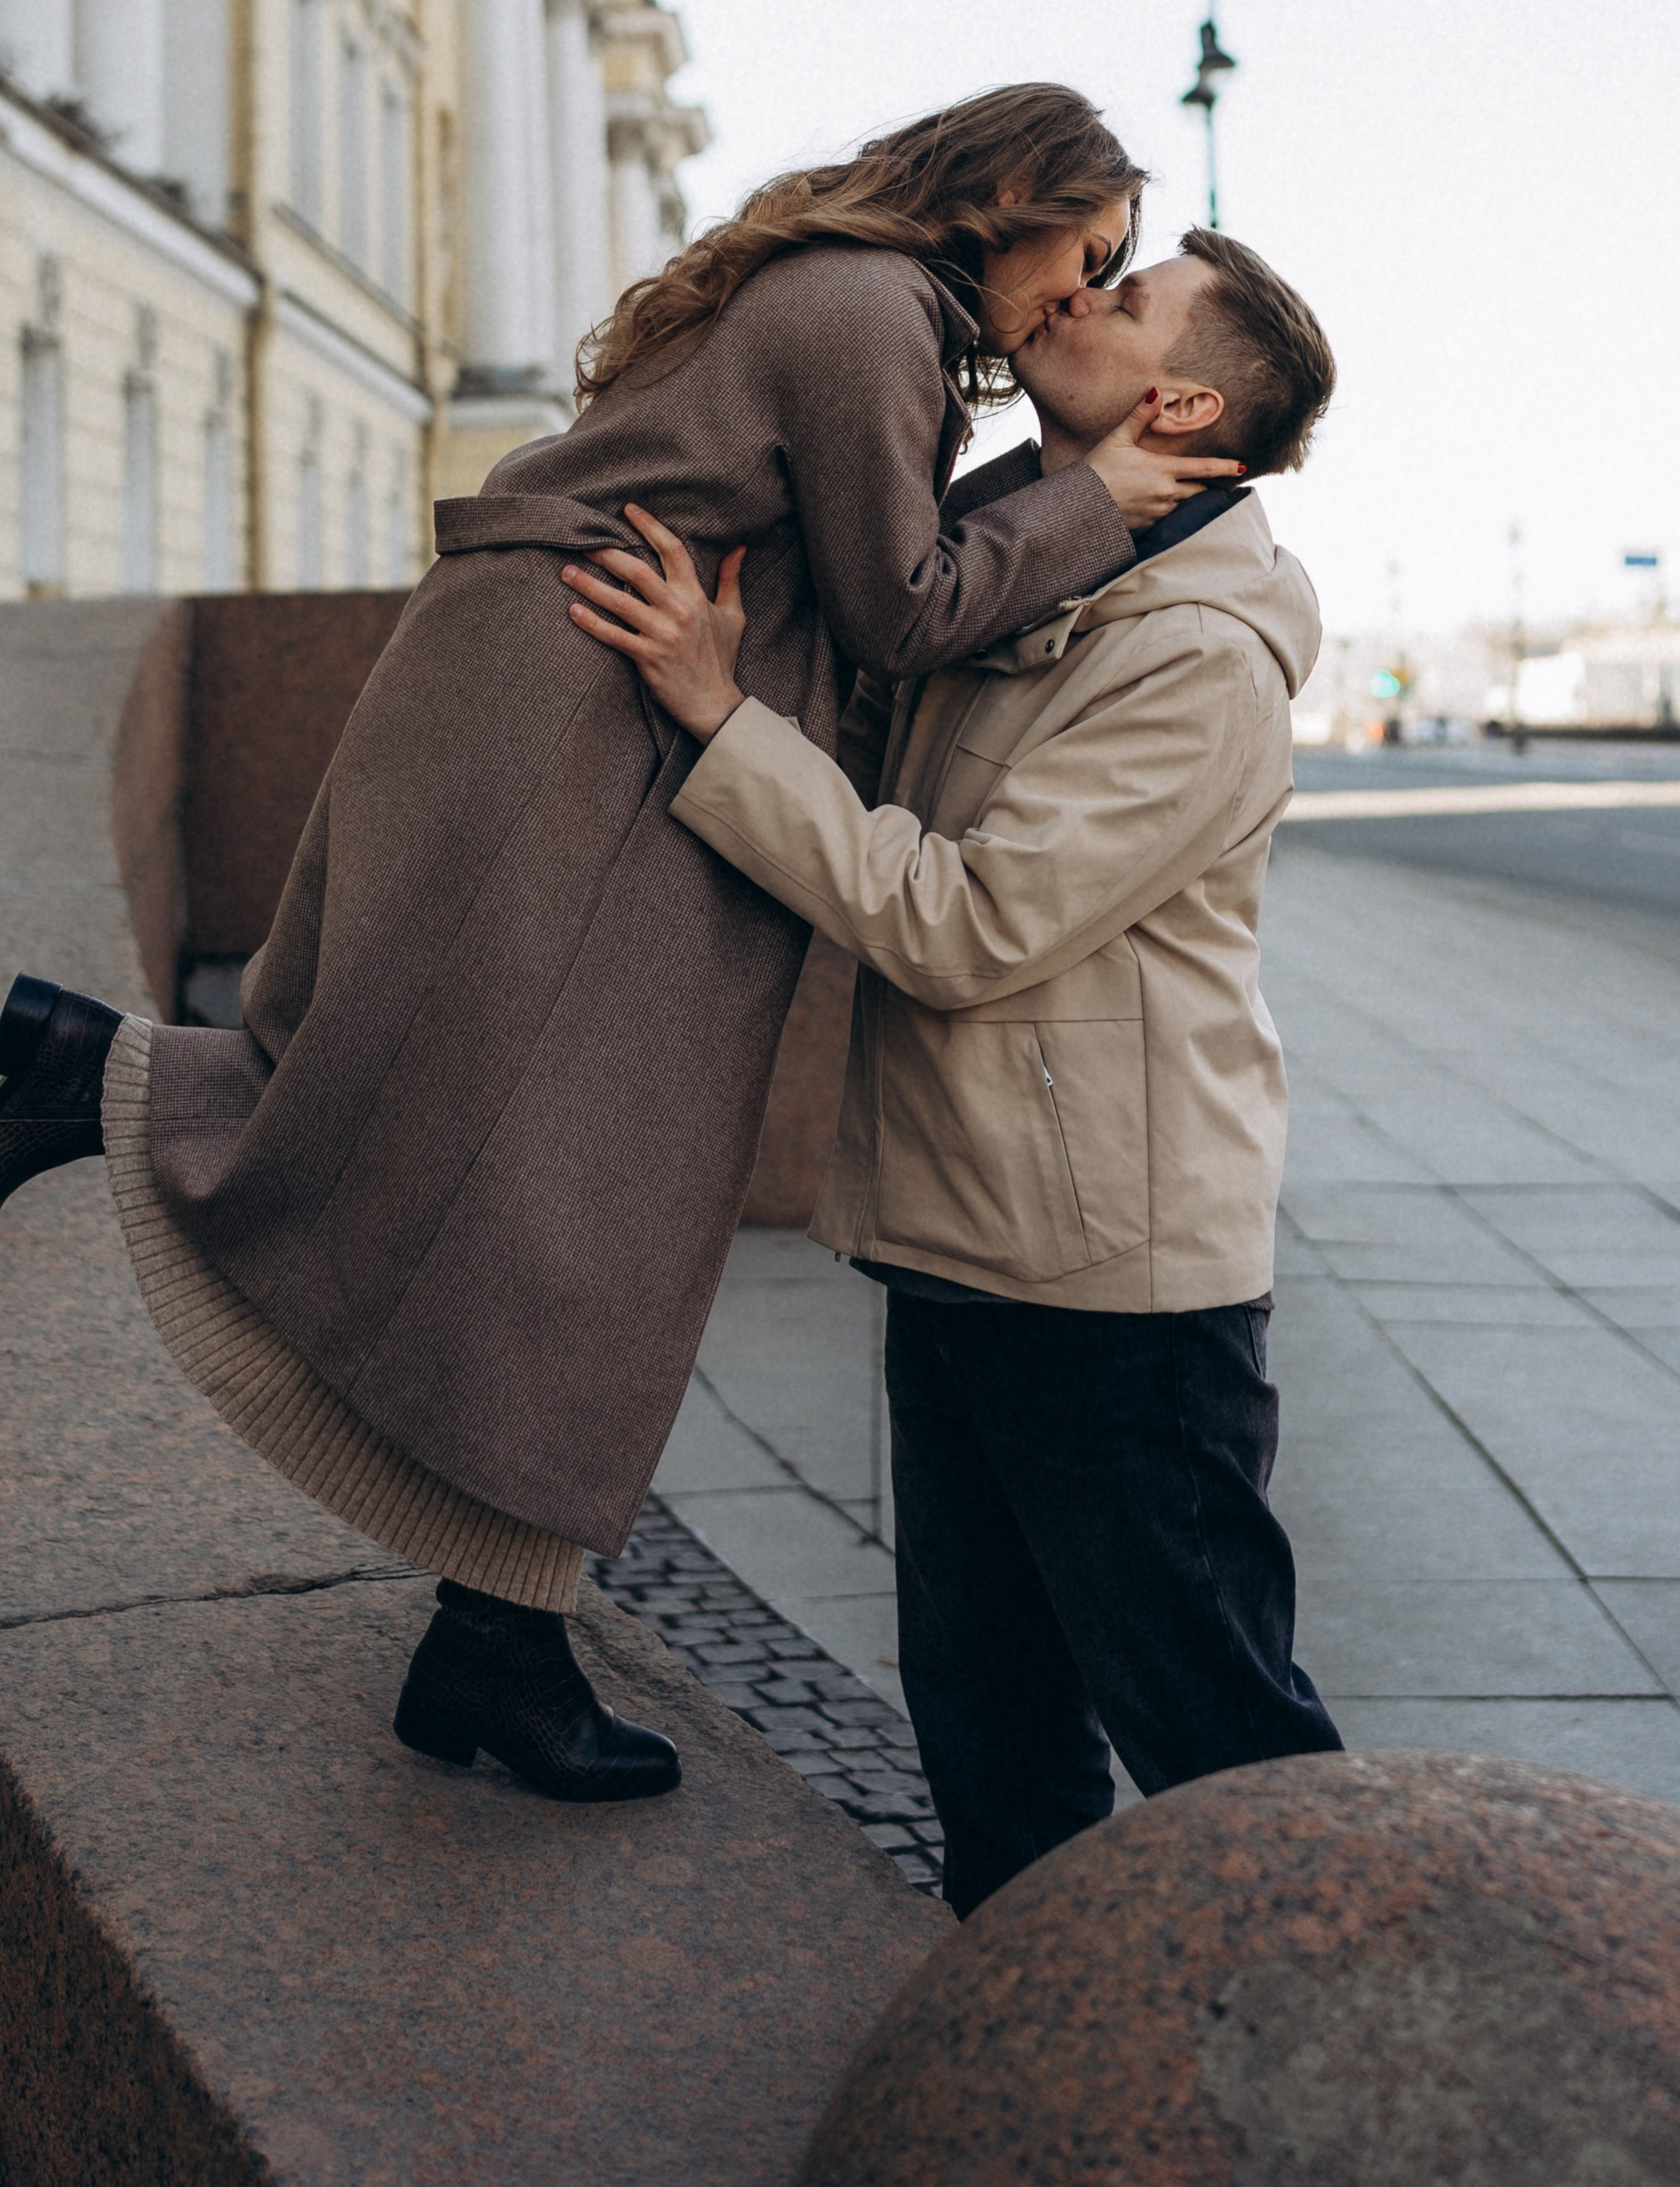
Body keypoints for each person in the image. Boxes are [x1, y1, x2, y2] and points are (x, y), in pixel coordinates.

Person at [0, 87, 1237, 1807]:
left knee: (579, 1187)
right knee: (584, 1188)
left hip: (587, 710)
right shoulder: (869, 310)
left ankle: (496, 1641)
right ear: (1008, 195)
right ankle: (106, 1089)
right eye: (1084, 255)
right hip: (588, 727)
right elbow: (899, 603)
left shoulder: (857, 300)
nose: (1076, 297)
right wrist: (1109, 496)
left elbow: (872, 568)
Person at [563, 224, 1343, 1911]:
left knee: (1225, 1740)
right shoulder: (1041, 569)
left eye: (1123, 301)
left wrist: (717, 714)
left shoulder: (1196, 658)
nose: (1075, 298)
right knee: (994, 1745)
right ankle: (1017, 2088)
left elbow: (957, 923)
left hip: (1113, 1295)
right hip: (965, 1241)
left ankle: (1370, 2073)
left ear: (1186, 401)